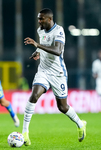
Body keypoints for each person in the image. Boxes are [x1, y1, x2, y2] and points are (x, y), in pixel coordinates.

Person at [22, 8, 87, 146]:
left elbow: (57, 51)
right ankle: (25, 133)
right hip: (43, 71)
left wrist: (37, 45)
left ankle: (80, 124)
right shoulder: (40, 31)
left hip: (58, 73)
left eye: (41, 19)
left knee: (62, 107)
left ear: (49, 19)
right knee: (34, 95)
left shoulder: (59, 31)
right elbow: (44, 45)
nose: (39, 21)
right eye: (38, 18)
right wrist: (37, 51)